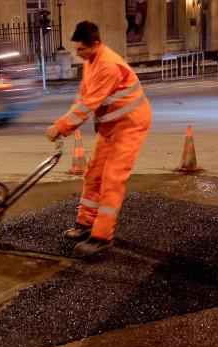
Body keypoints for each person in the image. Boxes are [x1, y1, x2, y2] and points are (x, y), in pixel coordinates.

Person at [46, 20, 152, 256]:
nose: (78, 54)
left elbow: (89, 105)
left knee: (112, 179)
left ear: (94, 44)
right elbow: (82, 98)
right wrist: (62, 123)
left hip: (130, 125)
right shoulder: (91, 62)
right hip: (110, 127)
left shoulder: (108, 65)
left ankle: (101, 237)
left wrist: (61, 127)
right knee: (93, 174)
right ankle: (85, 223)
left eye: (81, 49)